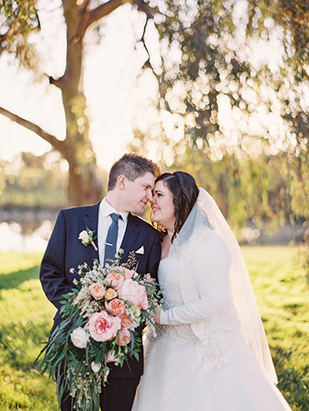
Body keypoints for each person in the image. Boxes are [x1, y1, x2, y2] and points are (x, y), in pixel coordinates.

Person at [132, 171, 291, 411]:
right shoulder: (159, 240)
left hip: (200, 347)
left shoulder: (206, 242)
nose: (151, 200)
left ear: (179, 199)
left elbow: (216, 301)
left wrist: (165, 316)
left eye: (158, 194)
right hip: (162, 343)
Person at [40, 153, 161, 411]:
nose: (150, 197)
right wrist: (79, 311)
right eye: (146, 187)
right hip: (73, 344)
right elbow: (50, 273)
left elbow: (153, 292)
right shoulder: (70, 220)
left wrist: (124, 325)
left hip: (123, 355)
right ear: (122, 181)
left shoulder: (149, 237)